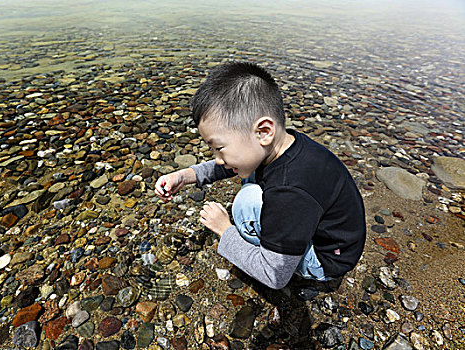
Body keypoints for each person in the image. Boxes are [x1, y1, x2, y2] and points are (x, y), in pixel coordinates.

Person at [155, 62, 366, 290]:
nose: (217, 158)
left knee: (246, 204)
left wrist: (225, 230)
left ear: (264, 131)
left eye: (219, 148)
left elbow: (274, 276)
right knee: (245, 168)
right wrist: (186, 176)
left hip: (326, 262)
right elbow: (233, 162)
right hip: (337, 238)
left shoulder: (289, 193)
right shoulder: (284, 145)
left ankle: (297, 264)